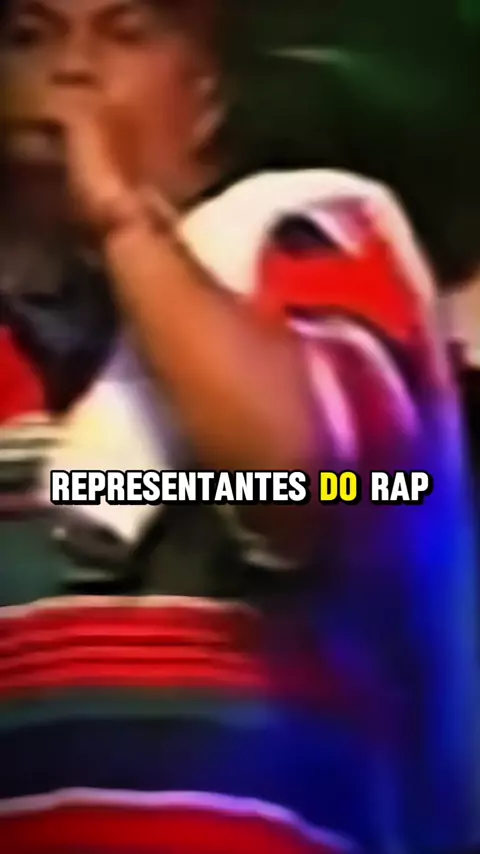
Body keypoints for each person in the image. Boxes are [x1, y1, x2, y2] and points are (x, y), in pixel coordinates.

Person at [0, 1, 477, 852]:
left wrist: (124, 223)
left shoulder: (308, 237)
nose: (71, 67)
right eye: (30, 35)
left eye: (125, 33)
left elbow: (321, 483)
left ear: (208, 95)